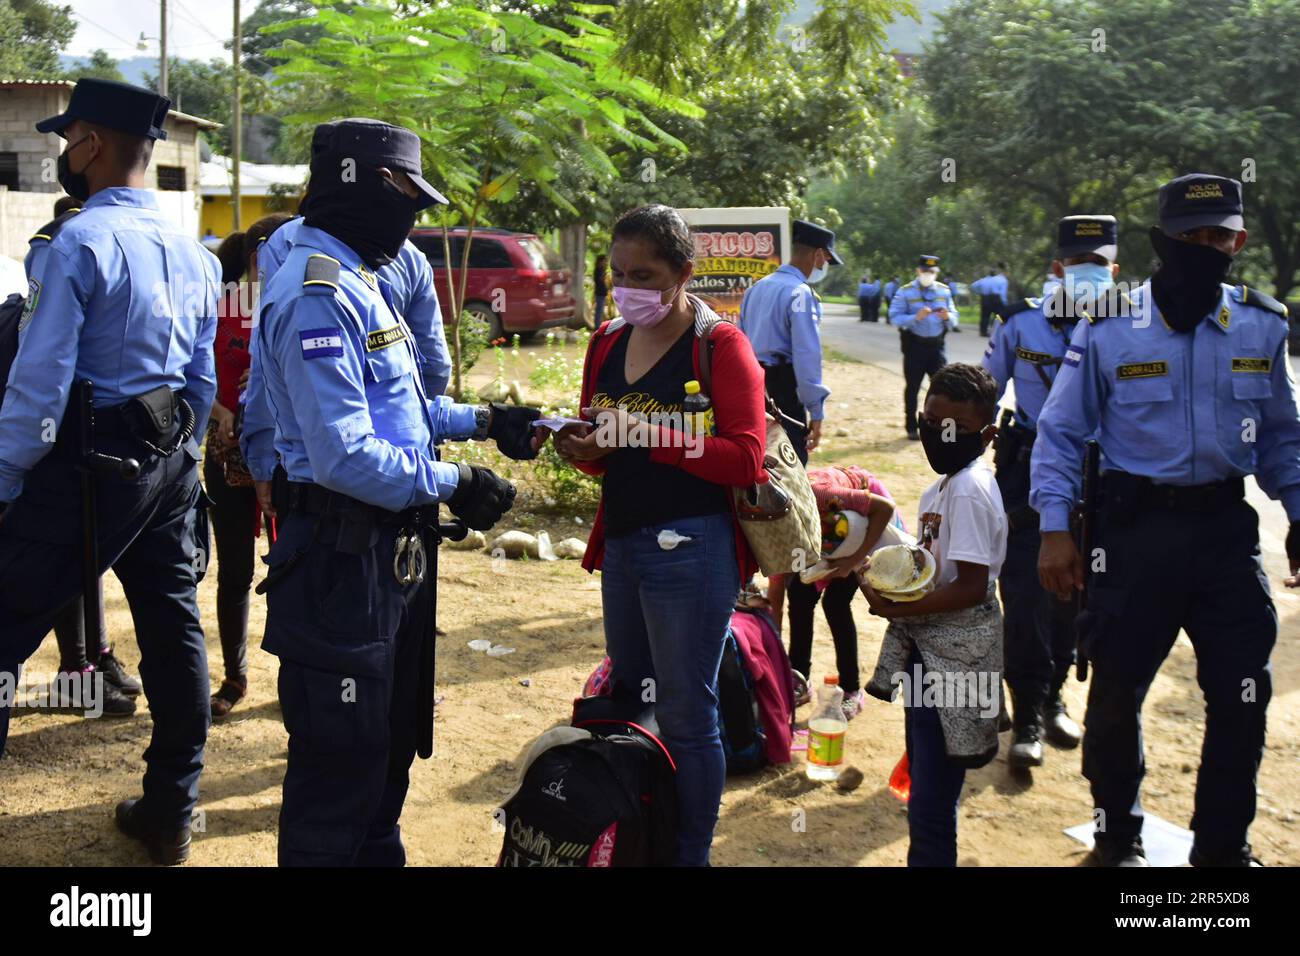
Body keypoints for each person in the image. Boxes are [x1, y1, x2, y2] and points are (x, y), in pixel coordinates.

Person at [248, 118, 535, 866]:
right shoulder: (317, 292)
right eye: (403, 198)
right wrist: (455, 480)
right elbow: (344, 455)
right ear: (356, 188)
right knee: (340, 769)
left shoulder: (361, 279)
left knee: (389, 748)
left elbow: (398, 413)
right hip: (341, 562)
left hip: (389, 557)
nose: (413, 218)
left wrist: (486, 421)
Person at [1032, 173, 1300, 867]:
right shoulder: (1110, 325)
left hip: (1223, 535)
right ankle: (1117, 833)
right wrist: (1056, 528)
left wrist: (1299, 510)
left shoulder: (1260, 324)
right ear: (1164, 241)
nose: (1206, 248)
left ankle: (1222, 850)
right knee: (1116, 696)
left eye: (1219, 237)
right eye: (1191, 237)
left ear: (1238, 241)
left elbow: (1281, 437)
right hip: (1132, 536)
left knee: (1243, 696)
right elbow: (1061, 433)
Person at [0, 78, 219, 865]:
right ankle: (172, 809)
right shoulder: (194, 253)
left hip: (86, 464)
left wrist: (4, 479)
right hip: (165, 460)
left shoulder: (77, 245)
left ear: (90, 143)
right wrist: (180, 467)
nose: (65, 153)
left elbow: (38, 385)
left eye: (67, 140)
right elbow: (201, 385)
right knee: (173, 631)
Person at [557, 203, 766, 866]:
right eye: (617, 274)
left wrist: (654, 434)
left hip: (695, 548)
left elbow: (746, 458)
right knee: (629, 696)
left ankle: (689, 854)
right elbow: (599, 450)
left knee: (685, 711)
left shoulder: (719, 345)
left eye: (643, 274)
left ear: (684, 274)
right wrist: (581, 447)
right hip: (624, 543)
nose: (628, 288)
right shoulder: (607, 341)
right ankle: (641, 830)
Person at [982, 216, 1119, 769]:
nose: (1090, 275)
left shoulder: (1133, 326)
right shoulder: (1019, 324)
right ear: (1059, 269)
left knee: (1077, 591)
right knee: (1025, 590)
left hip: (1104, 474)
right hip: (1029, 465)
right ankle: (1027, 709)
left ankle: (1055, 690)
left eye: (1101, 266)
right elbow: (987, 391)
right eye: (1079, 265)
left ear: (1116, 271)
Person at [860, 363, 1007, 867]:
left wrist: (893, 605)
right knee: (925, 773)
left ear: (987, 433)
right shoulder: (941, 487)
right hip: (929, 652)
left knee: (932, 798)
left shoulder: (967, 487)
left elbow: (968, 586)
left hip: (956, 655)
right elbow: (934, 567)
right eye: (930, 420)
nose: (939, 434)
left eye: (956, 428)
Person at [21, 194, 140, 718]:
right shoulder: (53, 246)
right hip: (58, 429)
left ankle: (95, 655)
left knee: (88, 557)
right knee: (64, 557)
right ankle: (77, 670)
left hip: (90, 426)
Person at [205, 215, 293, 721]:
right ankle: (234, 677)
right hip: (227, 456)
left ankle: (294, 678)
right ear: (258, 257)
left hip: (286, 462)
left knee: (289, 570)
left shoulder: (298, 308)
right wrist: (224, 417)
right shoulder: (222, 308)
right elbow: (196, 375)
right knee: (235, 572)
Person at [780, 465, 898, 719]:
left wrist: (852, 561)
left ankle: (851, 690)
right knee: (799, 596)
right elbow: (780, 582)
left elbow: (884, 508)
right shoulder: (779, 514)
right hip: (830, 531)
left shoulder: (821, 495)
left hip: (860, 526)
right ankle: (799, 679)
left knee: (835, 604)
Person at [738, 219, 840, 464]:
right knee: (790, 461)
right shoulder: (801, 294)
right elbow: (807, 356)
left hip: (755, 383)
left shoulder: (757, 288)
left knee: (762, 457)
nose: (825, 265)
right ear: (817, 255)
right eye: (826, 259)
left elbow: (740, 342)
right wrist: (816, 411)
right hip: (785, 386)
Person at [890, 254, 959, 440]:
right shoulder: (905, 292)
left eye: (932, 271)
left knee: (942, 388)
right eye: (925, 271)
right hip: (915, 347)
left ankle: (935, 426)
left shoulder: (944, 291)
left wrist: (948, 318)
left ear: (937, 272)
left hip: (937, 346)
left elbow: (954, 316)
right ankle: (911, 426)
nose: (928, 274)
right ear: (918, 271)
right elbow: (894, 317)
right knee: (913, 387)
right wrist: (915, 318)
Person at [972, 263, 1009, 337]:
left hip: (985, 298)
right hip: (996, 298)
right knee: (999, 316)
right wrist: (1004, 303)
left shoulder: (983, 280)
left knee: (985, 316)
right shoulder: (1002, 280)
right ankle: (998, 332)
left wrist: (979, 292)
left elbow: (973, 286)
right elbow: (1002, 293)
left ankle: (983, 332)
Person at [592, 252, 610, 326]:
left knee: (600, 310)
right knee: (599, 311)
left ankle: (598, 326)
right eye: (604, 261)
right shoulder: (598, 270)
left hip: (602, 293)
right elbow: (600, 280)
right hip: (599, 293)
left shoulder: (601, 270)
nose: (605, 262)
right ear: (600, 261)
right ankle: (597, 327)